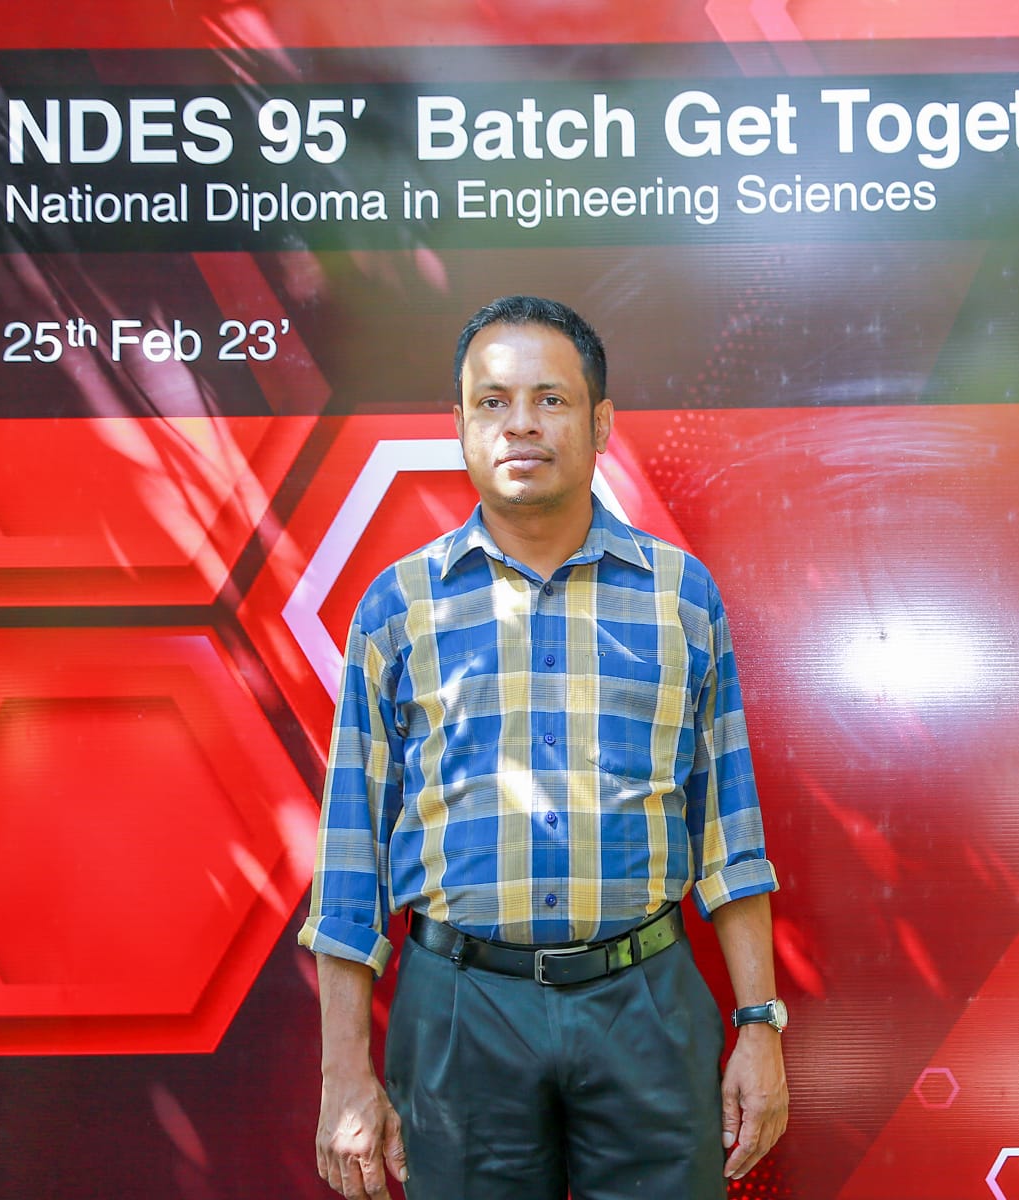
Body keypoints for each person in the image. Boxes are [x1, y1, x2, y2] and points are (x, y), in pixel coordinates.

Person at [298, 295, 788, 1200]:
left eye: (551, 399)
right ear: (458, 424)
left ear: (600, 422)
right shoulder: (399, 608)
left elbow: (730, 829)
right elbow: (351, 863)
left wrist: (758, 1023)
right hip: (456, 1011)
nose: (520, 423)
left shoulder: (680, 596)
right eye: (492, 401)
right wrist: (344, 1074)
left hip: (645, 1000)